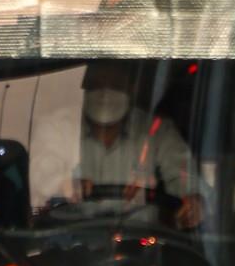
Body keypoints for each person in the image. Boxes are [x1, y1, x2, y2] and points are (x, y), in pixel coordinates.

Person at [63, 72, 205, 230]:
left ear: (131, 89)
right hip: (72, 238)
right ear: (84, 88)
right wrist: (63, 184)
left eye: (115, 85)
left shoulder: (157, 130)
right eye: (97, 85)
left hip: (141, 241)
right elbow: (43, 174)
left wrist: (193, 198)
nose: (105, 94)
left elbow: (183, 174)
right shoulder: (61, 128)